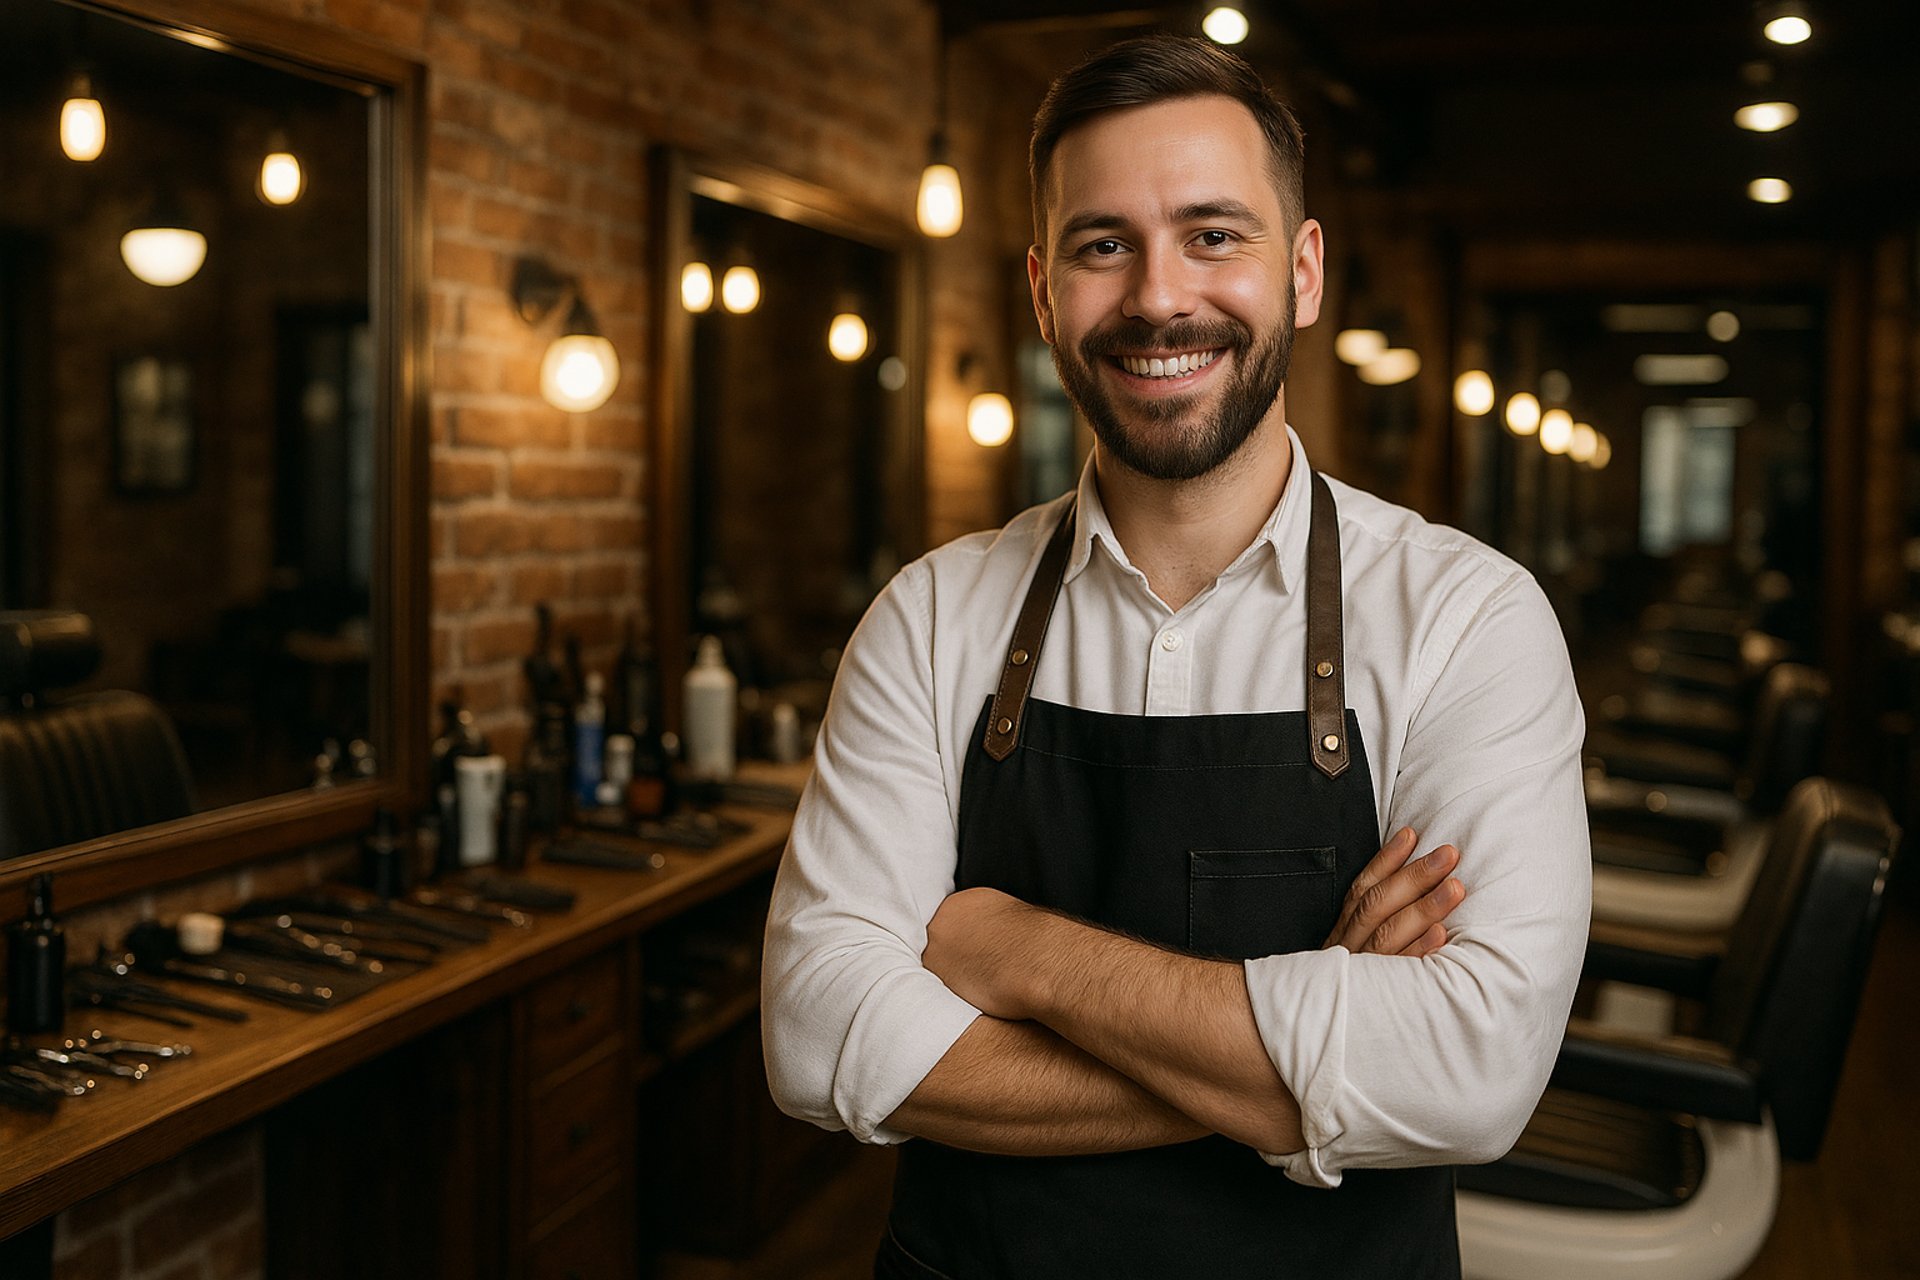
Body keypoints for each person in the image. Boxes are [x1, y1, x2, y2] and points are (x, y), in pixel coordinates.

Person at [762, 33, 1590, 1280]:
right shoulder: (929, 617)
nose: (1158, 296)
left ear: (1302, 272)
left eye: (1213, 234)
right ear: (1043, 291)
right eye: (1103, 244)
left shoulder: (1468, 618)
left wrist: (1016, 950)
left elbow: (1472, 1071)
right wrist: (1310, 1045)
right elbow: (817, 1033)